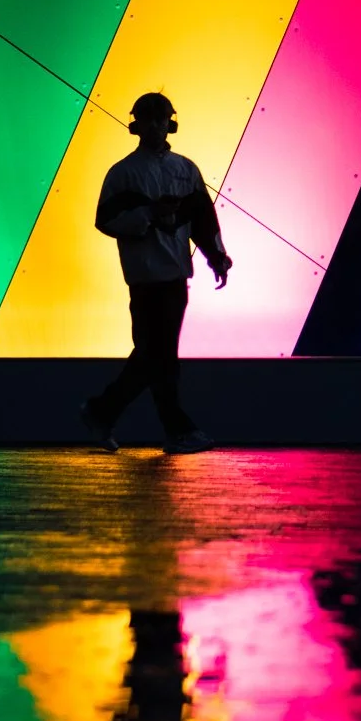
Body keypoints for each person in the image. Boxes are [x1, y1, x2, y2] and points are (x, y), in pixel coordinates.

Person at [81, 92, 231, 454]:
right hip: (146, 277)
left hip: (174, 274)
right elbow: (106, 220)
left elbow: (202, 219)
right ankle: (173, 429)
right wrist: (150, 215)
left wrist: (216, 256)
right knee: (158, 355)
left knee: (154, 355)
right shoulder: (123, 174)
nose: (154, 125)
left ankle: (104, 412)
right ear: (137, 125)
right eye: (148, 119)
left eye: (159, 118)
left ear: (169, 123)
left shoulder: (184, 169)